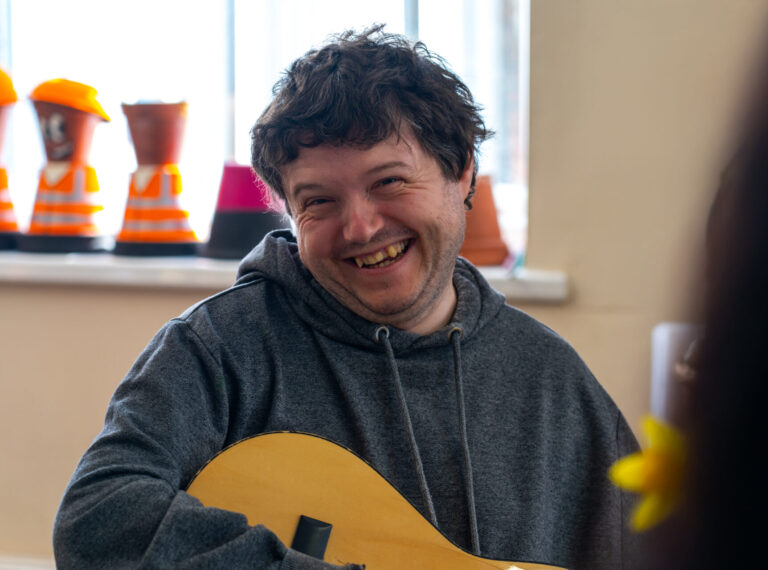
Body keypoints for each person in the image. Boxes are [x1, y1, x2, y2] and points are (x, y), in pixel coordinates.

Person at [53, 27, 639, 569]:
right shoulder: (219, 349)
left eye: (388, 181)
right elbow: (96, 520)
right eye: (319, 201)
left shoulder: (554, 383)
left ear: (462, 175)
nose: (359, 229)